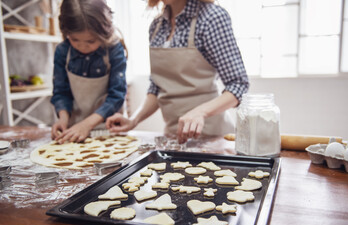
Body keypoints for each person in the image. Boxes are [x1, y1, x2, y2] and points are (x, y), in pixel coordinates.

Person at [106, 0, 249, 143]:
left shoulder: (211, 18)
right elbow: (157, 87)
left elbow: (238, 85)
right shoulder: (157, 26)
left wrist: (200, 112)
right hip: (174, 137)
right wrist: (133, 120)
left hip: (211, 136)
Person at [51, 0, 127, 144]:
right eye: (74, 39)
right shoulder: (62, 51)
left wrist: (87, 125)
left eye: (91, 41)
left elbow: (116, 96)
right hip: (73, 129)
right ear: (66, 32)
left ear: (104, 33)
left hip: (108, 128)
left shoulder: (114, 50)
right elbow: (61, 92)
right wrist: (63, 119)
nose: (82, 46)